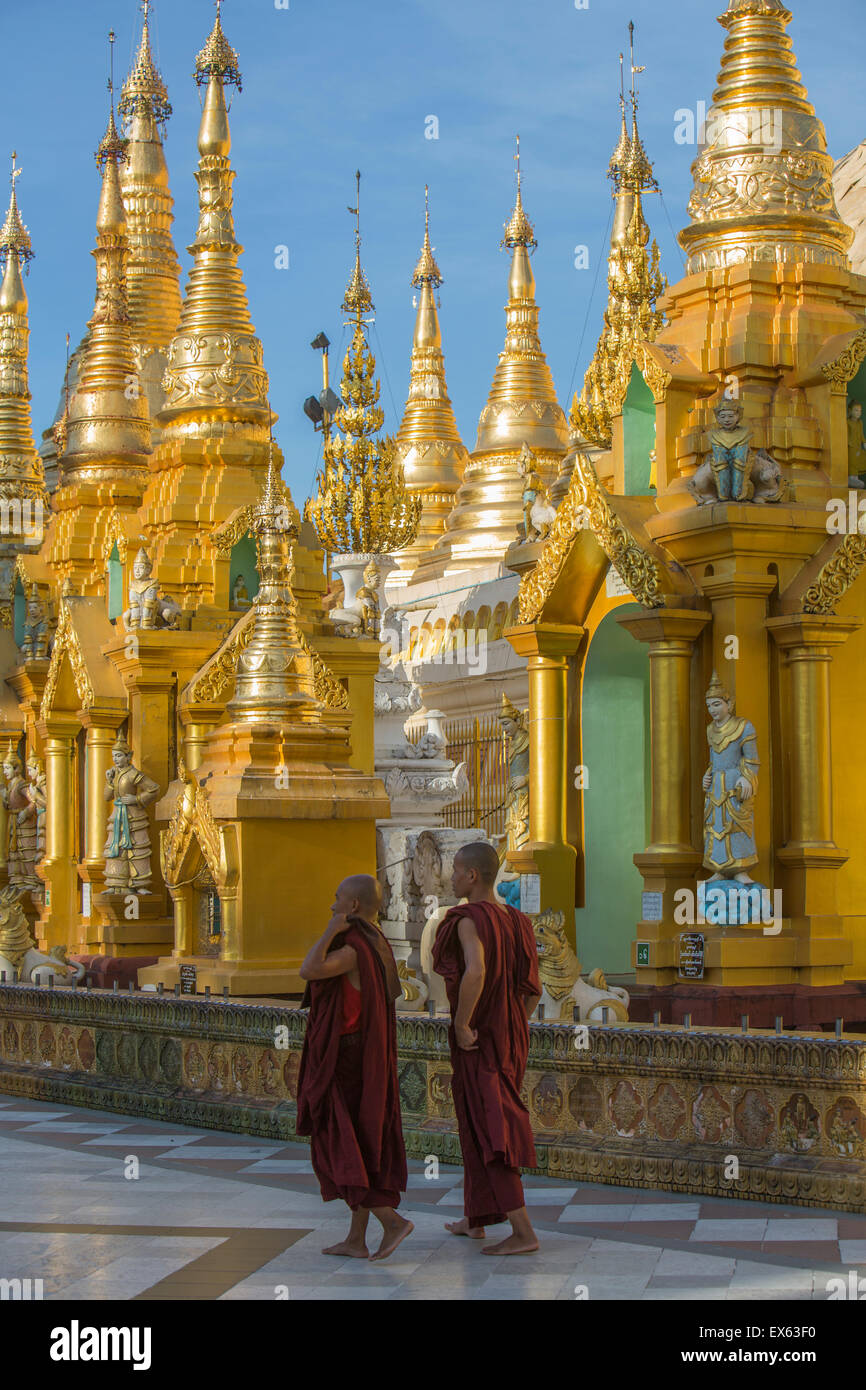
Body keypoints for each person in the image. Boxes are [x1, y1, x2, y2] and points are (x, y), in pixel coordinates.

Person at [432, 841, 542, 1255]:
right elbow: (534, 989)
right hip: (510, 1033)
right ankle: (476, 1219)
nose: (453, 877)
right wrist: (513, 1020)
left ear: (472, 876)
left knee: (494, 1126)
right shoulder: (518, 921)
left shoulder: (467, 919)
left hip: (480, 1036)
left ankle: (523, 1231)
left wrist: (463, 1022)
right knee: (477, 1121)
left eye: (457, 871)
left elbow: (475, 971)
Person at [296, 874, 411, 1261]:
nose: (332, 905)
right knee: (359, 1145)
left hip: (345, 1061)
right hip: (366, 1058)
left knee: (338, 1143)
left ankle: (391, 1220)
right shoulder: (379, 942)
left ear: (354, 907)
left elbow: (309, 970)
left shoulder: (353, 949)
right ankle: (356, 1239)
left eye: (337, 899)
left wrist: (330, 930)